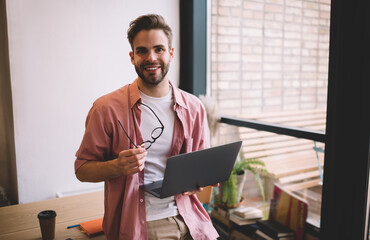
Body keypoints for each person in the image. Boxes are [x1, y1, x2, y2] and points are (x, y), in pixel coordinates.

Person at [74, 14, 219, 240]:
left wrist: (197, 181)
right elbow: (82, 169)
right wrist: (117, 166)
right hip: (145, 224)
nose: (151, 57)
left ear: (171, 53)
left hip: (192, 218)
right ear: (132, 57)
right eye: (142, 51)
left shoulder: (194, 107)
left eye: (159, 49)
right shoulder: (106, 108)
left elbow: (202, 167)